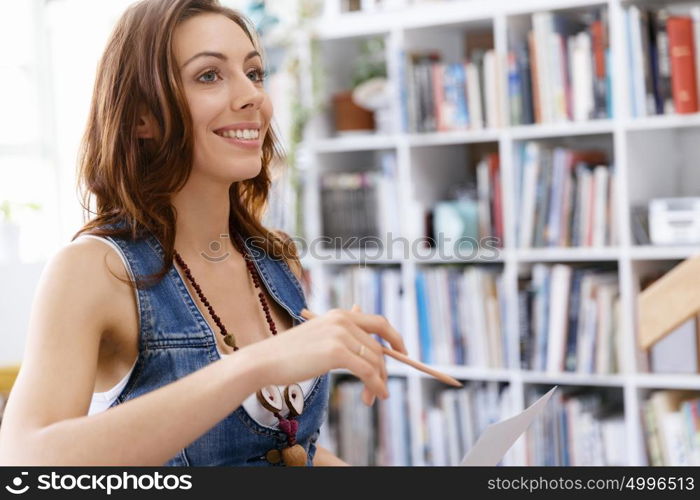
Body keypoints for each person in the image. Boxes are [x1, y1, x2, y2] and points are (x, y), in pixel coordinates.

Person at [0, 0, 406, 466]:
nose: (252, 95)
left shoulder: (275, 259)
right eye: (209, 75)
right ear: (141, 117)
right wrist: (259, 362)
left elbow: (278, 449)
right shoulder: (96, 269)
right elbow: (24, 461)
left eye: (254, 73)